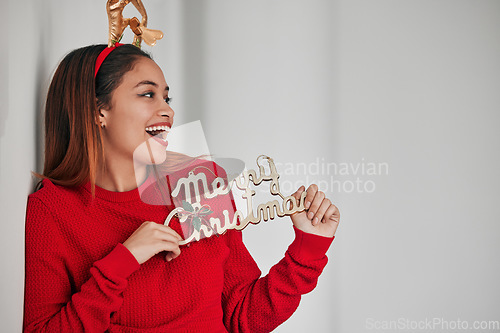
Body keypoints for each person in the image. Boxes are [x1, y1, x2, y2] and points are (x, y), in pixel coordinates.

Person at [23, 44, 341, 332]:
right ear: (98, 110)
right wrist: (124, 260)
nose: (168, 111)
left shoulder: (203, 183)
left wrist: (308, 249)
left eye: (166, 97)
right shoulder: (52, 209)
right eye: (148, 95)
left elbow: (242, 317)